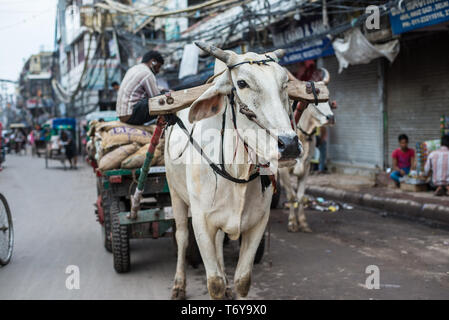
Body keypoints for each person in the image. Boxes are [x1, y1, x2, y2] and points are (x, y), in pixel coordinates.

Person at [116, 51, 164, 125]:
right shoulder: (147, 74)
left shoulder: (134, 69)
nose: (158, 71)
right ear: (153, 62)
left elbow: (156, 88)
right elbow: (156, 98)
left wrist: (165, 90)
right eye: (158, 67)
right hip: (130, 115)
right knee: (163, 102)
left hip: (122, 115)